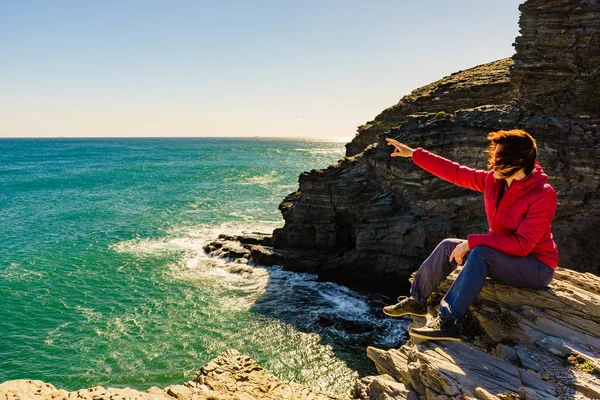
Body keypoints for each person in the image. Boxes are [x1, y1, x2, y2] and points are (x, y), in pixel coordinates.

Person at [384, 129, 558, 341]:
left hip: (536, 267)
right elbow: (455, 172)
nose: (493, 164)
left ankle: (448, 321)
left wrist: (472, 242)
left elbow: (522, 245)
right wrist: (413, 154)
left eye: (500, 159)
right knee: (449, 245)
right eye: (494, 157)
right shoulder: (494, 181)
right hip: (504, 256)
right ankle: (417, 300)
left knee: (480, 252)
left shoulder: (542, 194)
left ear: (520, 160)